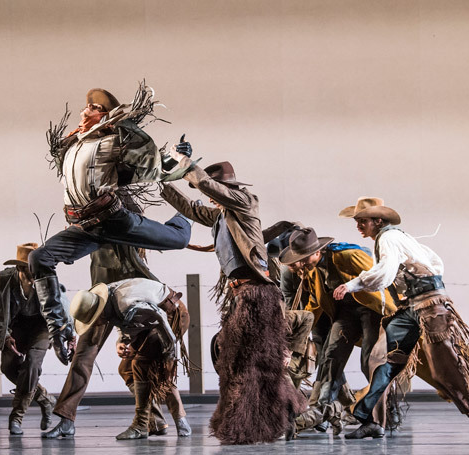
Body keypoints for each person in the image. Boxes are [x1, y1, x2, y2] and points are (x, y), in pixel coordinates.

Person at [29, 86, 192, 366]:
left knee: (178, 239)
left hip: (113, 221)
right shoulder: (72, 147)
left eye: (91, 108)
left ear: (105, 115)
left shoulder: (114, 142)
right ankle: (60, 331)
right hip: (84, 228)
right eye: (85, 107)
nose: (83, 111)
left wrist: (178, 159)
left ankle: (186, 215)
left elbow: (151, 169)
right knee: (39, 257)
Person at [161, 150, 307, 444]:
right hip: (244, 295)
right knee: (244, 359)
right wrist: (161, 178)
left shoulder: (245, 203)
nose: (212, 198)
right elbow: (190, 208)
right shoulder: (221, 216)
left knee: (248, 361)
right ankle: (291, 410)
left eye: (216, 191)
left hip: (258, 294)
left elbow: (207, 187)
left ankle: (276, 416)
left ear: (227, 189)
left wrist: (187, 166)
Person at [332, 197, 469, 438]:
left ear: (378, 221)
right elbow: (433, 262)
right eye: (356, 221)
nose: (358, 226)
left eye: (362, 221)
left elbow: (384, 273)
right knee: (381, 359)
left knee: (446, 367)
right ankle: (372, 420)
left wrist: (353, 284)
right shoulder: (396, 237)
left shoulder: (389, 238)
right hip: (412, 306)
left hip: (430, 306)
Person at [279, 228, 395, 437]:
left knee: (370, 363)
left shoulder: (348, 255)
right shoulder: (313, 270)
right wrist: (299, 328)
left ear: (317, 251)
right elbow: (315, 302)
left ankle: (376, 421)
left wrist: (396, 318)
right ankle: (317, 412)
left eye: (305, 258)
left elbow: (380, 279)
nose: (302, 263)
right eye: (300, 259)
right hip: (345, 315)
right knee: (329, 358)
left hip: (372, 310)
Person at [42, 278, 190, 440]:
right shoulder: (110, 299)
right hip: (151, 322)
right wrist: (124, 340)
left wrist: (169, 352)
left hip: (172, 316)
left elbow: (159, 316)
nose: (96, 323)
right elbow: (125, 320)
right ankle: (157, 421)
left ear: (99, 312)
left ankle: (144, 424)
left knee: (144, 365)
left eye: (94, 320)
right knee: (126, 368)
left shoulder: (127, 304)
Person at [0, 243, 57, 435]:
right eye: (30, 266)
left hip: (41, 327)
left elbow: (59, 309)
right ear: (20, 267)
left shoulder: (46, 278)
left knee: (32, 365)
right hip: (16, 326)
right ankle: (44, 399)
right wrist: (6, 335)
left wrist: (64, 334)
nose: (35, 270)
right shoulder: (4, 280)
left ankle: (16, 417)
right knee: (9, 368)